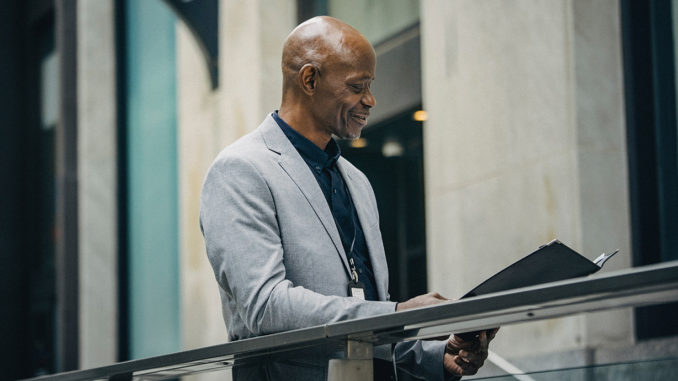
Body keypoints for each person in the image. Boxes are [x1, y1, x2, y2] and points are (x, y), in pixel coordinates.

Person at [200, 16, 497, 380]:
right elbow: (265, 306)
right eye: (358, 86)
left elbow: (363, 315)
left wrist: (437, 356)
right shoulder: (241, 170)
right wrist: (401, 313)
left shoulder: (356, 181)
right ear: (310, 80)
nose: (370, 100)